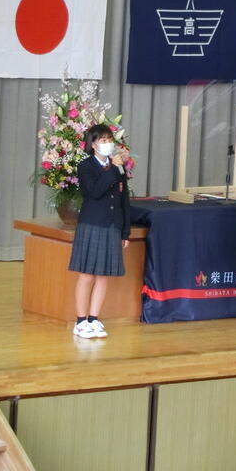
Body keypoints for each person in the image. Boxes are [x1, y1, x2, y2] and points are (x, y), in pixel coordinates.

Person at [68, 124, 131, 338]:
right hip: (93, 224)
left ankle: (94, 319)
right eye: (103, 140)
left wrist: (125, 231)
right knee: (87, 275)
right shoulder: (86, 166)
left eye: (110, 139)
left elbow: (124, 200)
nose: (108, 144)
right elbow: (94, 192)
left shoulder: (118, 167)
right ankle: (80, 321)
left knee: (103, 276)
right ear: (93, 144)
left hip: (112, 225)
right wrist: (113, 168)